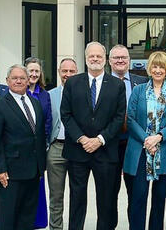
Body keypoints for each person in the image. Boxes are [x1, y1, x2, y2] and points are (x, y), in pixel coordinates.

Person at [59, 41, 126, 230]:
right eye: (91, 56)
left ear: (105, 59)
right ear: (86, 58)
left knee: (106, 200)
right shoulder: (73, 82)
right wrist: (82, 138)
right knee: (77, 198)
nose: (95, 59)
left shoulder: (116, 85)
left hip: (105, 151)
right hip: (77, 150)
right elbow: (66, 114)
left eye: (99, 56)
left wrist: (99, 140)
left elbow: (119, 116)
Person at [124, 51, 166, 230]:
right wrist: (147, 140)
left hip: (164, 151)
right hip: (140, 151)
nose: (158, 70)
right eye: (155, 66)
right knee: (138, 198)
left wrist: (158, 137)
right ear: (150, 68)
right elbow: (130, 119)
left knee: (160, 200)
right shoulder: (138, 90)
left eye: (162, 67)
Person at [0, 65, 49, 230]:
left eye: (22, 78)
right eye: (14, 78)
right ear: (7, 81)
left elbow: (38, 135)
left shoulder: (35, 103)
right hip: (10, 172)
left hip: (33, 171)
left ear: (28, 80)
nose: (19, 81)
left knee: (27, 217)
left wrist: (41, 166)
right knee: (9, 217)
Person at [109, 44, 150, 193]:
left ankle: (134, 217)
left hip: (135, 142)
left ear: (129, 60)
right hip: (110, 144)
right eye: (116, 57)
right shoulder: (103, 82)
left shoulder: (144, 82)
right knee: (110, 191)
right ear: (109, 61)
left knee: (136, 190)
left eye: (124, 57)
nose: (120, 60)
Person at [48, 57, 80, 230]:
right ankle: (56, 228)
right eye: (64, 71)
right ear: (59, 72)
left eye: (72, 71)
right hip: (56, 148)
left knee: (77, 193)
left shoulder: (84, 94)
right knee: (56, 195)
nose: (68, 74)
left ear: (77, 73)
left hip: (76, 148)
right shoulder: (50, 95)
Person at [25, 57, 54, 229]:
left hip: (39, 149)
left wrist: (43, 143)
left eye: (37, 71)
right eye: (31, 71)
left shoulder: (45, 95)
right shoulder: (18, 93)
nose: (34, 74)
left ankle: (39, 221)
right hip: (20, 148)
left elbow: (48, 121)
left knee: (38, 184)